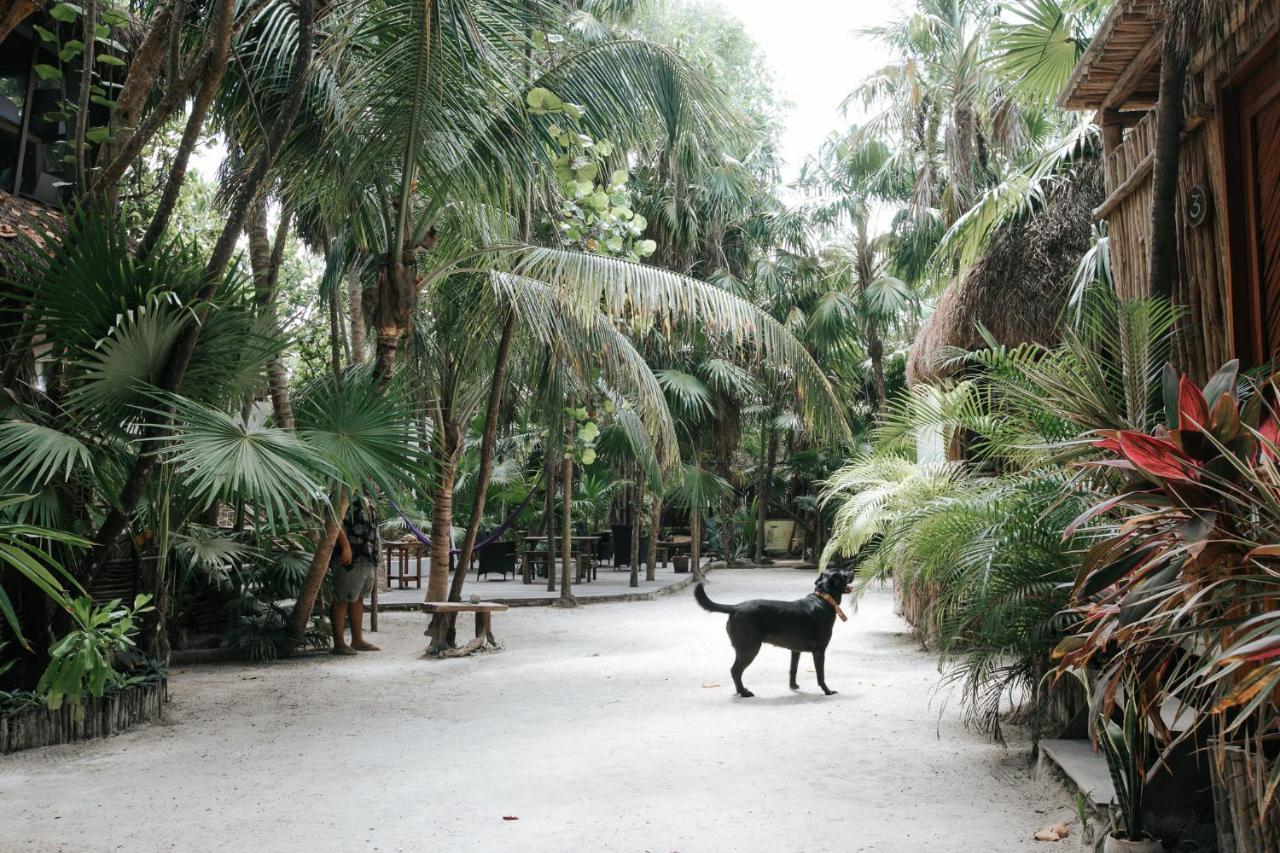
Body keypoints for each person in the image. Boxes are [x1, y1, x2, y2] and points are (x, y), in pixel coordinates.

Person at [330, 491, 381, 655]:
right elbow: (334, 521)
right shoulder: (340, 493)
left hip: (367, 555)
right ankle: (339, 642)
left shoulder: (366, 495)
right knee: (342, 598)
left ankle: (357, 640)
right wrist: (345, 547)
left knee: (358, 598)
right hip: (349, 556)